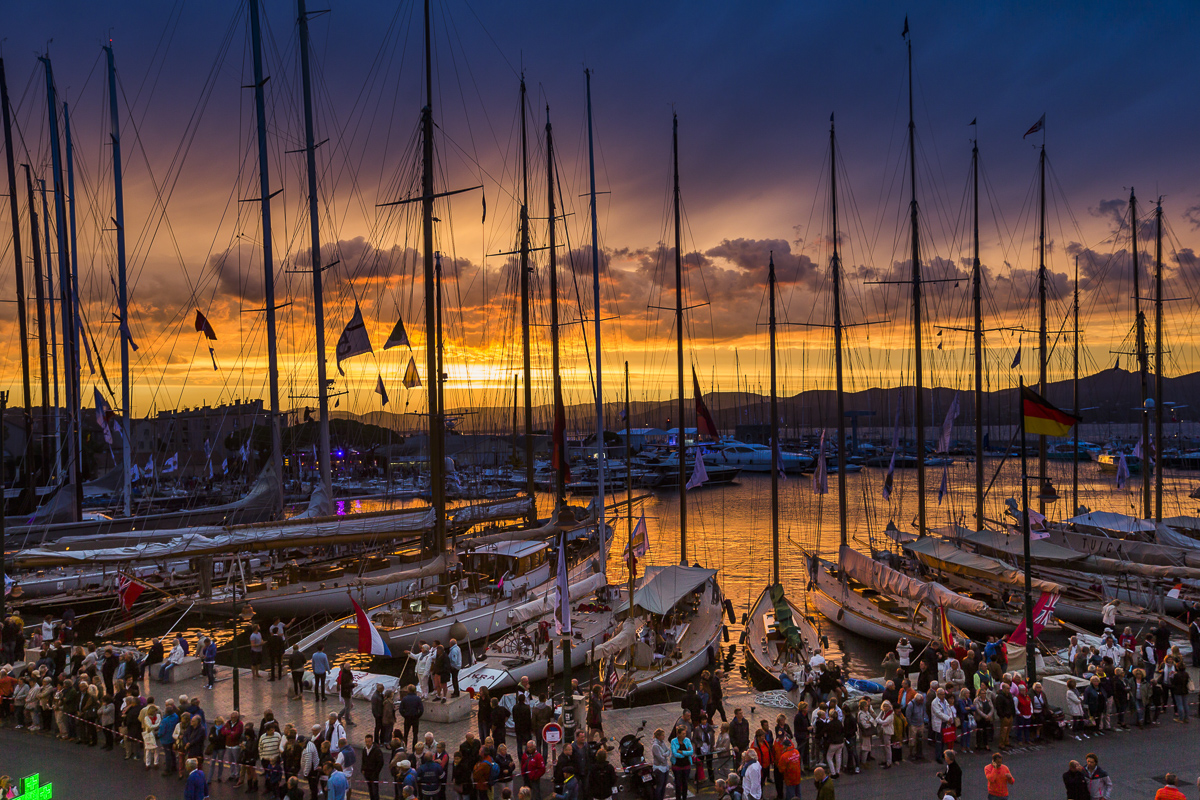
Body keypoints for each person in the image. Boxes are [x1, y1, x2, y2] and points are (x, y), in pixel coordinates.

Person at [670, 724, 693, 800]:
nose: (684, 735)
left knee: (685, 783)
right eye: (683, 734)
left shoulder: (687, 740)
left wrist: (681, 752)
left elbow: (691, 752)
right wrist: (685, 753)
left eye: (685, 733)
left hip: (686, 765)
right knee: (678, 784)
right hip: (677, 765)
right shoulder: (673, 741)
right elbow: (675, 754)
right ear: (678, 734)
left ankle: (684, 798)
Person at [401, 684, 425, 750]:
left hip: (407, 718)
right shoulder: (417, 699)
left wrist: (404, 715)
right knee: (415, 734)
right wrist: (418, 716)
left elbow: (401, 709)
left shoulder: (405, 699)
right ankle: (414, 748)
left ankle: (405, 746)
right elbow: (421, 710)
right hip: (415, 718)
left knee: (406, 733)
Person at [363, 733, 386, 800]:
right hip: (367, 773)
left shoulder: (377, 751)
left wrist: (376, 772)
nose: (367, 743)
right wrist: (363, 769)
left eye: (369, 742)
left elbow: (381, 762)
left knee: (375, 790)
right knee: (370, 789)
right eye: (366, 742)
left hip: (374, 774)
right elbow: (363, 760)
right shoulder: (364, 750)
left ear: (372, 741)